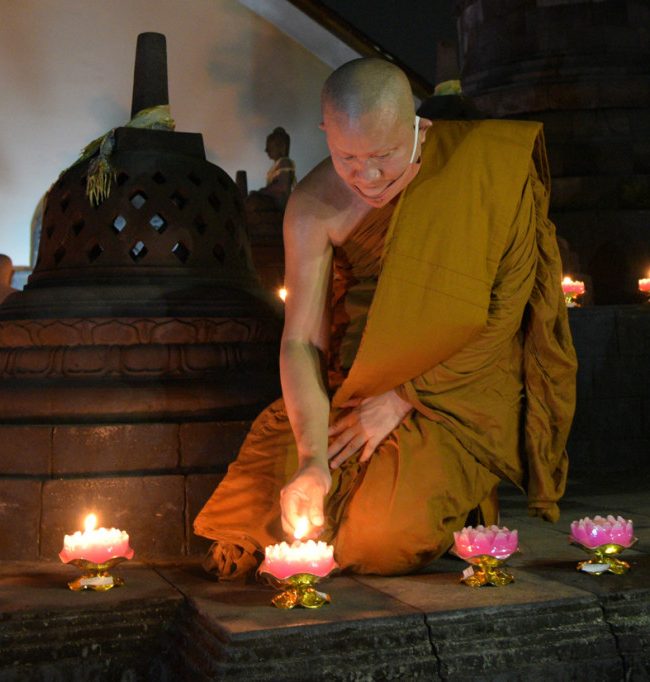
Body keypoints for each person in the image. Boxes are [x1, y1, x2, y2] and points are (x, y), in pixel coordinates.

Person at [194, 58, 577, 578]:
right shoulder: (312, 205)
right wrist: (311, 456)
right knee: (255, 510)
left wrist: (403, 397)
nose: (368, 176)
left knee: (379, 542)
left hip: (454, 388)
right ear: (326, 132)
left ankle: (451, 496)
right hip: (353, 383)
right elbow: (301, 340)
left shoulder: (484, 169)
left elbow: (502, 318)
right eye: (347, 157)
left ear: (420, 129)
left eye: (384, 155)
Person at [258, 127, 297, 202]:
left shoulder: (284, 162)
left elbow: (282, 186)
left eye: (269, 147)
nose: (267, 150)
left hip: (281, 203)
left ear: (280, 147)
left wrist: (264, 191)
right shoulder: (277, 164)